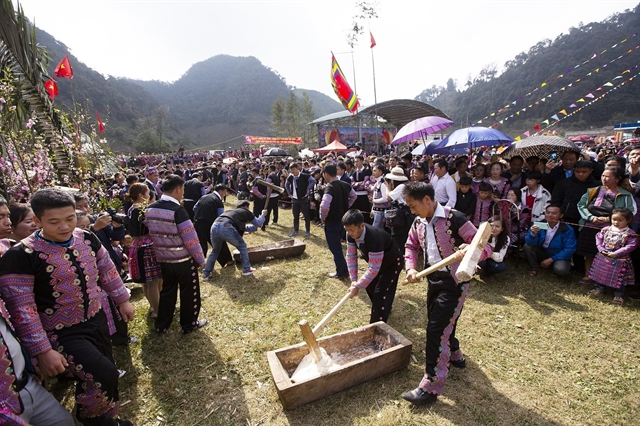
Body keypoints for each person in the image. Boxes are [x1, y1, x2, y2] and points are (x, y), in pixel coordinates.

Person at [0, 189, 134, 426]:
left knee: (103, 371)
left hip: (96, 319)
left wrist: (122, 299)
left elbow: (107, 270)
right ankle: (91, 418)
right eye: (54, 222)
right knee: (103, 374)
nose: (64, 227)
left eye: (70, 219)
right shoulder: (21, 255)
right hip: (60, 332)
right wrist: (42, 350)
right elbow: (22, 310)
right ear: (37, 221)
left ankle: (106, 416)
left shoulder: (86, 238)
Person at [401, 181, 492, 405]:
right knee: (443, 321)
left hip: (455, 283)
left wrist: (469, 249)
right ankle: (454, 352)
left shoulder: (456, 218)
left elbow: (486, 247)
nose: (411, 210)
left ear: (427, 200)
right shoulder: (418, 222)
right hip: (433, 280)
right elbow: (410, 246)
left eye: (413, 206)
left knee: (435, 329)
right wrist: (411, 267)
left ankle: (430, 386)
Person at [144, 174, 207, 334]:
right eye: (183, 189)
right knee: (189, 292)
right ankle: (189, 324)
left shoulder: (150, 208)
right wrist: (200, 259)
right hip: (183, 260)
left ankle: (162, 325)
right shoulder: (178, 211)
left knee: (167, 291)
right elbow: (191, 240)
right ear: (178, 189)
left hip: (164, 259)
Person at [576, 166, 636, 284]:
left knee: (606, 253)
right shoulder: (593, 191)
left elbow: (631, 211)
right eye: (603, 175)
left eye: (608, 176)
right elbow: (581, 205)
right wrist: (591, 217)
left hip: (613, 229)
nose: (604, 178)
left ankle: (604, 278)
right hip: (591, 225)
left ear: (617, 179)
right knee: (589, 252)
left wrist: (609, 219)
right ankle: (588, 274)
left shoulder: (625, 195)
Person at [343, 209, 403, 323]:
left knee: (381, 292)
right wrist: (354, 281)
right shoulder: (350, 235)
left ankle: (376, 325)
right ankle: (381, 308)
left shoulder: (374, 237)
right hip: (378, 263)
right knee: (370, 285)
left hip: (393, 263)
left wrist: (358, 286)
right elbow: (351, 256)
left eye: (352, 230)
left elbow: (374, 269)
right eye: (347, 230)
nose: (350, 233)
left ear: (361, 226)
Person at [126, 183, 163, 318]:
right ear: (141, 195)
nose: (149, 196)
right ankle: (159, 311)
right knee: (153, 282)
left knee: (146, 283)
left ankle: (154, 307)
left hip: (137, 246)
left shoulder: (130, 209)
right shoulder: (142, 209)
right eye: (147, 193)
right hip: (148, 246)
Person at [203, 200, 266, 278]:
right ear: (246, 207)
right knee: (242, 246)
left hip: (214, 226)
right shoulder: (246, 211)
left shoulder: (232, 212)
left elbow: (245, 227)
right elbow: (258, 223)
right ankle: (246, 269)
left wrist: (256, 227)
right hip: (226, 227)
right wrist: (263, 215)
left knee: (215, 251)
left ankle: (206, 273)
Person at [587, 207, 637, 305]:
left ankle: (618, 295)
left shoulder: (629, 233)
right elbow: (598, 239)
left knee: (619, 277)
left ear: (628, 220)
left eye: (620, 220)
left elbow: (631, 245)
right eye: (614, 219)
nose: (616, 222)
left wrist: (616, 253)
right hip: (604, 256)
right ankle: (599, 289)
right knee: (601, 273)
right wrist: (601, 249)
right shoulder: (606, 229)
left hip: (620, 259)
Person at [320, 164, 357, 279]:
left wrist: (322, 217)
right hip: (343, 220)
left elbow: (324, 205)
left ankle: (341, 272)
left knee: (335, 248)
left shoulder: (330, 187)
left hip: (332, 221)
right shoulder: (345, 184)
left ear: (326, 174)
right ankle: (345, 269)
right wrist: (346, 206)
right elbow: (354, 196)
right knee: (341, 247)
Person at [523, 204, 577, 277]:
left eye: (554, 213)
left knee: (561, 269)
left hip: (557, 255)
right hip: (542, 252)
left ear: (561, 215)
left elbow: (570, 249)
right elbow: (529, 242)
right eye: (548, 213)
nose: (550, 215)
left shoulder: (567, 229)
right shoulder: (539, 224)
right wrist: (533, 234)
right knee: (527, 246)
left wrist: (551, 259)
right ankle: (534, 267)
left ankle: (554, 269)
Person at [285, 162, 314, 237]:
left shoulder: (304, 176)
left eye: (294, 169)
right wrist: (289, 193)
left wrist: (308, 189)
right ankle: (295, 230)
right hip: (294, 199)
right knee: (295, 216)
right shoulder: (290, 177)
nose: (292, 171)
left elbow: (313, 181)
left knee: (306, 216)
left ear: (297, 168)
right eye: (291, 170)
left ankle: (307, 230)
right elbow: (286, 184)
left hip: (303, 199)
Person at [369, 164, 390, 228]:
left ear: (380, 172)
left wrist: (374, 201)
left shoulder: (383, 183)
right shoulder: (377, 183)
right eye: (373, 171)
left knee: (376, 230)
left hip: (381, 212)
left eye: (375, 171)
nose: (373, 173)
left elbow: (385, 198)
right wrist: (372, 210)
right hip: (377, 211)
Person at [263, 165, 281, 230]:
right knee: (275, 208)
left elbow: (268, 185)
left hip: (271, 195)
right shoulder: (277, 176)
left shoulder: (270, 176)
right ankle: (275, 220)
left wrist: (266, 194)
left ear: (270, 169)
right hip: (276, 194)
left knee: (268, 209)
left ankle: (266, 223)